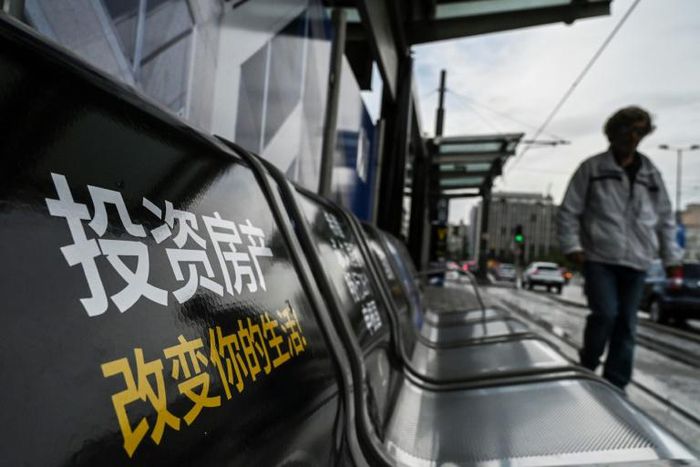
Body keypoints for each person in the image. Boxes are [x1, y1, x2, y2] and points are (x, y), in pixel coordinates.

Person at [557, 106, 682, 390]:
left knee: (627, 324)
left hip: (638, 260)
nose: (633, 137)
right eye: (627, 130)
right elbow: (569, 211)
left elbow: (665, 218)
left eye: (639, 131)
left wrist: (671, 257)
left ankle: (615, 385)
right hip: (600, 256)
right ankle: (588, 363)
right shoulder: (592, 169)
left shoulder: (651, 173)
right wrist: (572, 246)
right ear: (614, 132)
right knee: (605, 314)